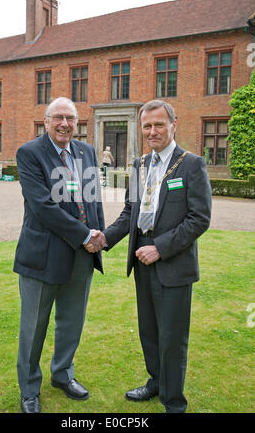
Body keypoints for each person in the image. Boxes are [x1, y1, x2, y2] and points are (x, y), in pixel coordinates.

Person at [89, 99, 212, 413]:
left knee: (173, 336)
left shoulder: (191, 164)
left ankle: (173, 400)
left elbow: (199, 218)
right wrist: (104, 238)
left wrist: (161, 247)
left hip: (172, 263)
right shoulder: (139, 164)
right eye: (147, 126)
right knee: (149, 330)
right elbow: (130, 211)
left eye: (159, 124)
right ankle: (155, 383)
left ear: (173, 125)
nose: (153, 131)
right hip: (141, 263)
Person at [13, 97, 105, 413]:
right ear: (47, 120)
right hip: (42, 256)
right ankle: (29, 389)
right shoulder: (30, 153)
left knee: (71, 321)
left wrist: (99, 236)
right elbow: (43, 207)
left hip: (81, 256)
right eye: (59, 118)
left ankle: (63, 375)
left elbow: (93, 201)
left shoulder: (87, 152)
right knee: (34, 326)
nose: (65, 123)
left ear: (77, 122)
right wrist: (84, 235)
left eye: (70, 118)